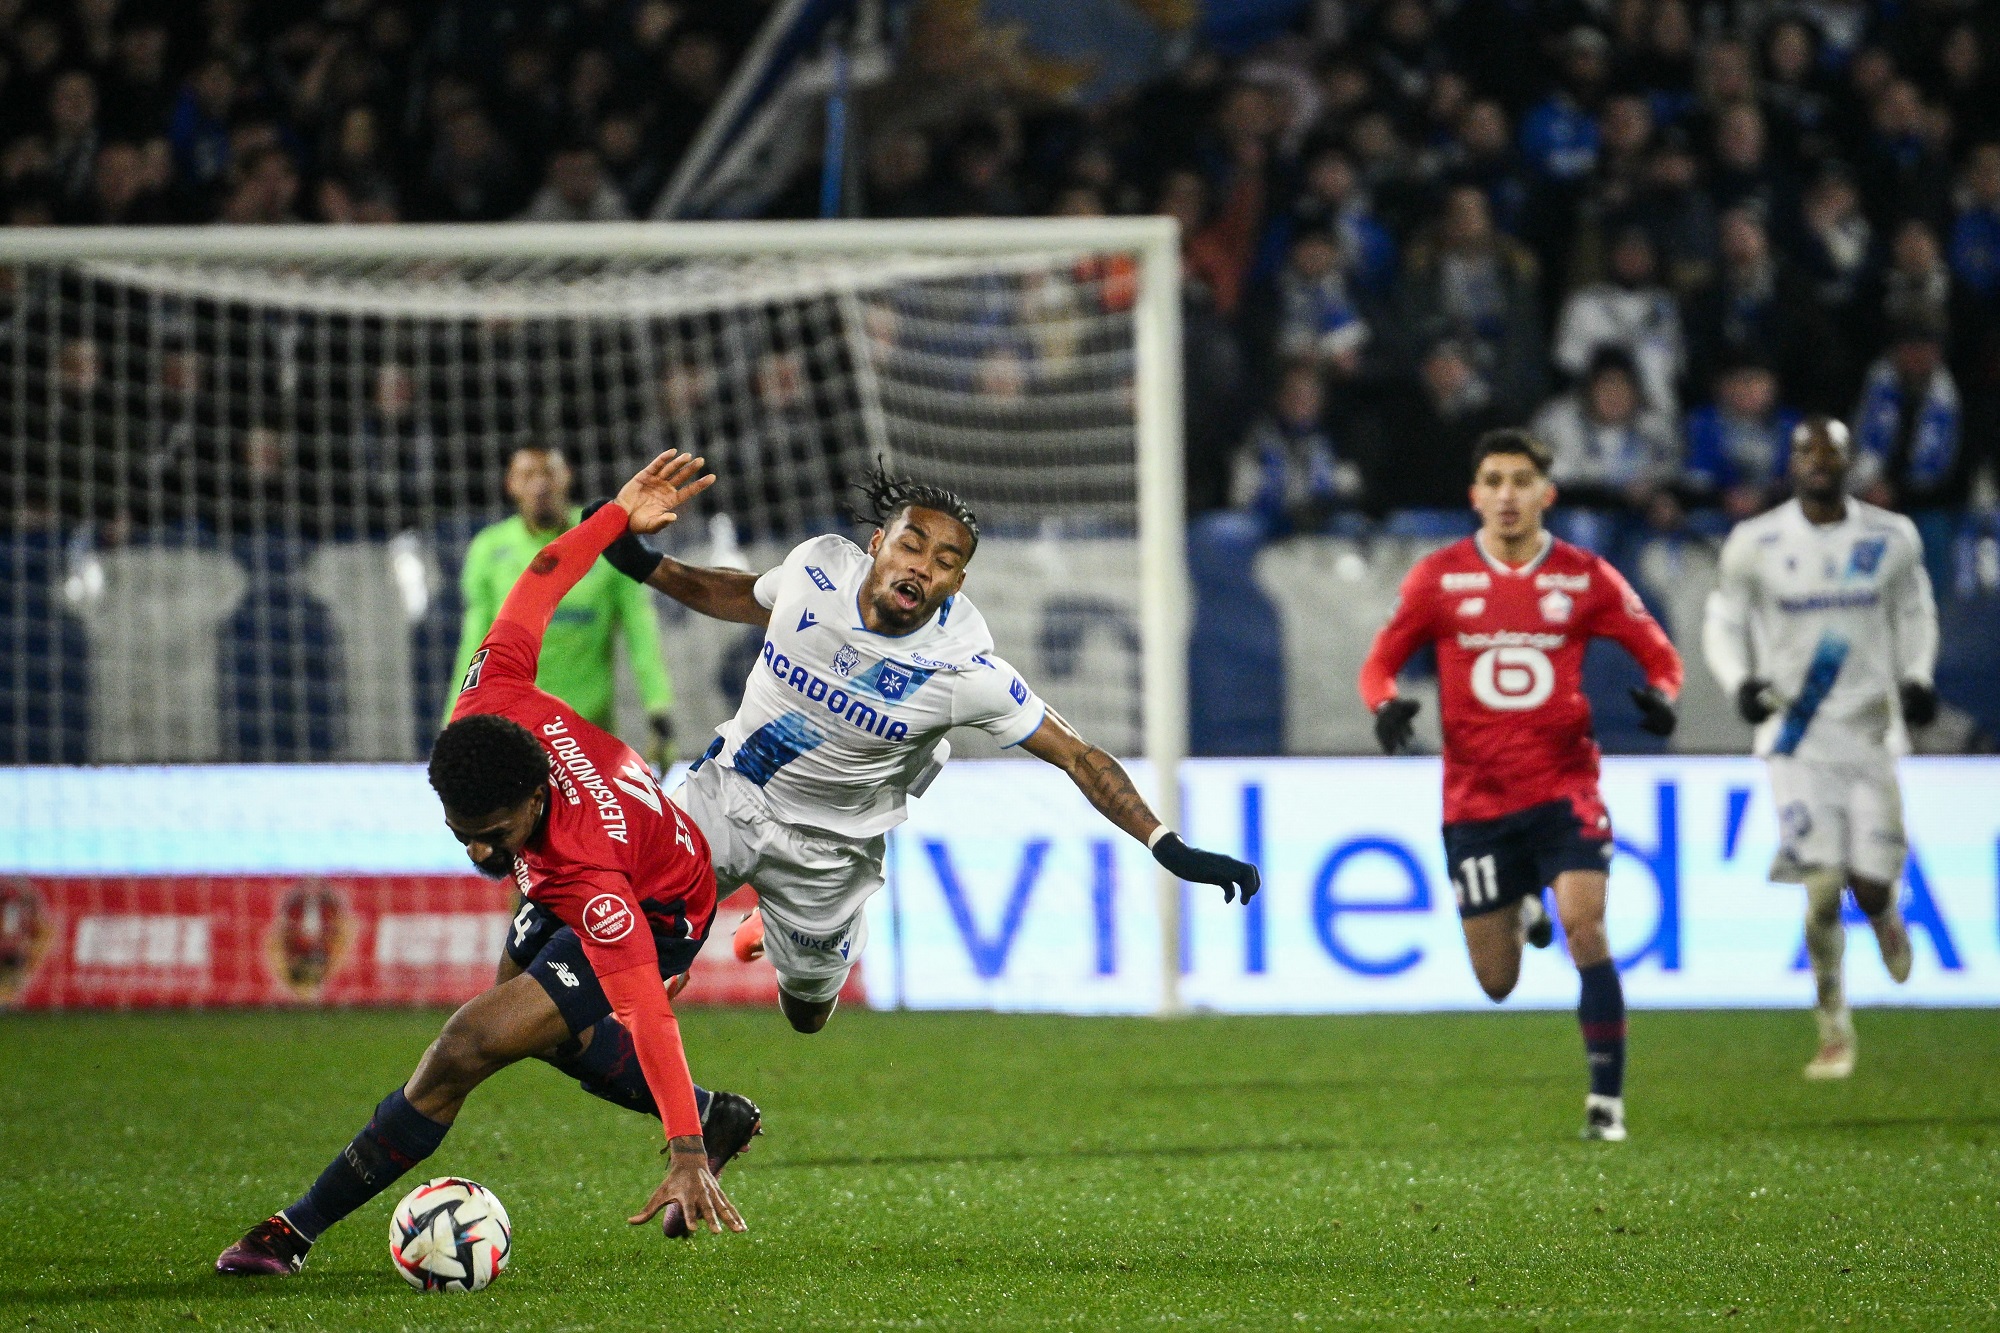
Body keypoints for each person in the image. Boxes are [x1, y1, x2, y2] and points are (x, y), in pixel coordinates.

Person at [216, 452, 758, 1278]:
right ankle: (722, 1114)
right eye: (461, 830)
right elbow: (542, 576)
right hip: (609, 851)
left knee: (466, 1043)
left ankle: (291, 1231)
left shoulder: (586, 870)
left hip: (658, 902)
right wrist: (613, 514)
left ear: (537, 801)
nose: (477, 852)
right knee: (539, 1033)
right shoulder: (488, 687)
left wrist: (683, 1150)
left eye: (494, 834)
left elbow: (650, 1008)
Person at [587, 464, 1261, 1035]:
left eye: (946, 562)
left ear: (956, 585)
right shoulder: (816, 567)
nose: (923, 566)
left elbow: (1078, 754)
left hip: (830, 851)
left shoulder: (964, 668)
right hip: (729, 795)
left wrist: (1165, 841)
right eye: (912, 545)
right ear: (878, 543)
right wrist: (638, 558)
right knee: (618, 928)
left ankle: (789, 922)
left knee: (806, 1014)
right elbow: (740, 593)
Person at [1357, 429, 1683, 1142]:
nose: (1507, 494)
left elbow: (1658, 651)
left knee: (1585, 926)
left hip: (1566, 789)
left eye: (1521, 480)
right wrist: (1384, 706)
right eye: (1494, 481)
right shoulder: (1438, 578)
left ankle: (1606, 1102)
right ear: (1475, 496)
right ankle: (1525, 900)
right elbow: (1378, 663)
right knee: (1497, 981)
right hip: (1476, 803)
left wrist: (1663, 692)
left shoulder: (1584, 576)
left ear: (1547, 492)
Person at [1700, 417, 1933, 1080]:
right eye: (1808, 451)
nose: (1820, 461)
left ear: (1851, 461)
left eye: (1832, 450)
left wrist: (1916, 676)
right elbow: (1724, 620)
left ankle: (1886, 910)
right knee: (1822, 883)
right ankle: (1834, 1024)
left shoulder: (1891, 538)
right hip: (1795, 736)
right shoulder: (1757, 541)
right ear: (1793, 462)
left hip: (1868, 731)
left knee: (1867, 881)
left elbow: (1916, 613)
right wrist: (1739, 682)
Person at [449, 445, 677, 770]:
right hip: (512, 733)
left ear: (567, 477)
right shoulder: (489, 549)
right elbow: (473, 645)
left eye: (548, 474)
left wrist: (659, 710)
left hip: (589, 735)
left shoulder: (604, 540)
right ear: (510, 483)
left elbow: (641, 633)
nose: (540, 486)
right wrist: (454, 723)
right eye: (528, 475)